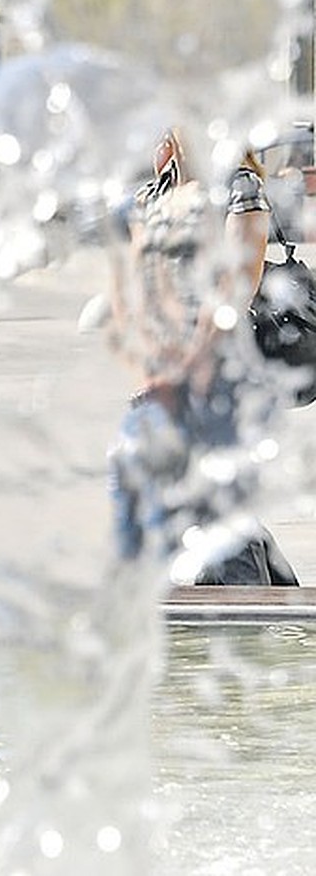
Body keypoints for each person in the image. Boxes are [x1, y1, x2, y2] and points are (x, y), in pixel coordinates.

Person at [107, 129, 297, 585]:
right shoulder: (155, 192)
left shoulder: (238, 185)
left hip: (219, 377)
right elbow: (131, 284)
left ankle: (255, 623)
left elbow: (235, 291)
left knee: (218, 514)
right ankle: (276, 609)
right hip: (162, 373)